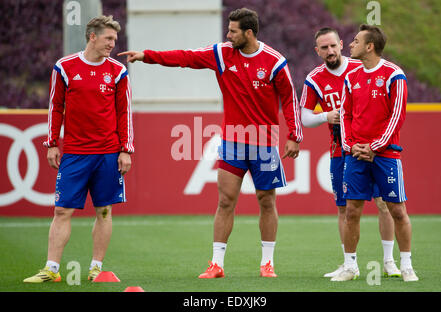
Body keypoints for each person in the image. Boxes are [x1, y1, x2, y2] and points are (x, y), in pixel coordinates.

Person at [118, 8, 302, 278]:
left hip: (264, 143)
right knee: (226, 201)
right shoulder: (222, 54)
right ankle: (216, 264)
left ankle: (267, 263)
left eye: (233, 31)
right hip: (232, 141)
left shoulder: (274, 62)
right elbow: (186, 57)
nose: (228, 35)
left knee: (266, 201)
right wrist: (148, 56)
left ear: (248, 33)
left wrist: (294, 136)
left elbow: (289, 99)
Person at [23, 15, 134, 283]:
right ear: (92, 36)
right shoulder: (65, 67)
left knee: (104, 210)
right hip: (74, 153)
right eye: (108, 38)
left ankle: (96, 268)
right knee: (61, 210)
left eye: (115, 39)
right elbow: (55, 107)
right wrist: (51, 144)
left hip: (108, 153)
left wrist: (126, 149)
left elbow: (124, 111)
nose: (112, 44)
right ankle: (51, 269)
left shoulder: (118, 71)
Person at [299, 27, 401, 278]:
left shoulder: (360, 68)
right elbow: (304, 117)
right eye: (324, 47)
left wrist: (375, 144)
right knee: (344, 208)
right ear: (317, 51)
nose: (330, 51)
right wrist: (326, 116)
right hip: (340, 150)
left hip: (372, 149)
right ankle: (349, 264)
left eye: (333, 45)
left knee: (384, 204)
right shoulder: (314, 78)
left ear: (341, 44)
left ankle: (389, 261)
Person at [333, 24, 418, 282]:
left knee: (397, 209)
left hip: (385, 155)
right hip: (356, 154)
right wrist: (350, 146)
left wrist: (376, 146)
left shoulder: (394, 75)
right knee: (352, 210)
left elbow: (397, 116)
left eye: (356, 41)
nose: (350, 45)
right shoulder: (351, 77)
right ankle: (350, 266)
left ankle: (405, 265)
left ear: (370, 46)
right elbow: (344, 115)